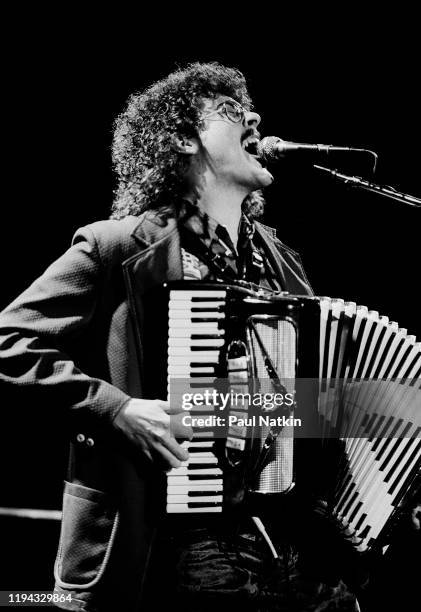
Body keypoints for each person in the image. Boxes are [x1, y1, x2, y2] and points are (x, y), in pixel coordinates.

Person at [0, 62, 363, 611]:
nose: (255, 118)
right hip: (162, 545)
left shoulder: (282, 266)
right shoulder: (116, 247)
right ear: (181, 139)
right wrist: (116, 409)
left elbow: (300, 409)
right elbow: (9, 343)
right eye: (229, 111)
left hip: (282, 551)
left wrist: (388, 455)